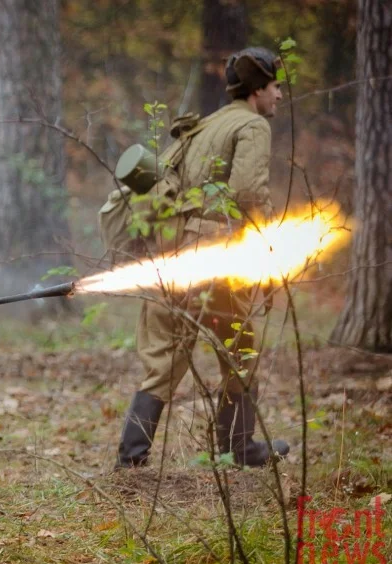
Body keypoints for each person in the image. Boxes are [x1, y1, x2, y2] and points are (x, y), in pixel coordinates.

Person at [114, 47, 290, 469]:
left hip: (172, 252)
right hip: (219, 256)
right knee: (240, 350)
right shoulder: (251, 125)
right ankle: (239, 448)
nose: (280, 96)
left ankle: (131, 457)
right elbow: (248, 194)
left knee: (164, 358)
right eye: (276, 86)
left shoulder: (203, 126)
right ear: (257, 90)